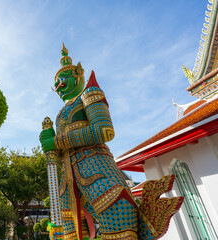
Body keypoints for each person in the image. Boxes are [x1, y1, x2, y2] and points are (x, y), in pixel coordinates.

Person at [39, 44, 183, 240]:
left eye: (63, 80)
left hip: (96, 170)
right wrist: (49, 145)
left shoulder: (89, 94)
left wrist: (57, 141)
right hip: (67, 182)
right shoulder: (59, 116)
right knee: (67, 234)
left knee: (119, 223)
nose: (58, 86)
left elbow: (104, 131)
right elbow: (57, 152)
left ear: (78, 76)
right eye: (56, 83)